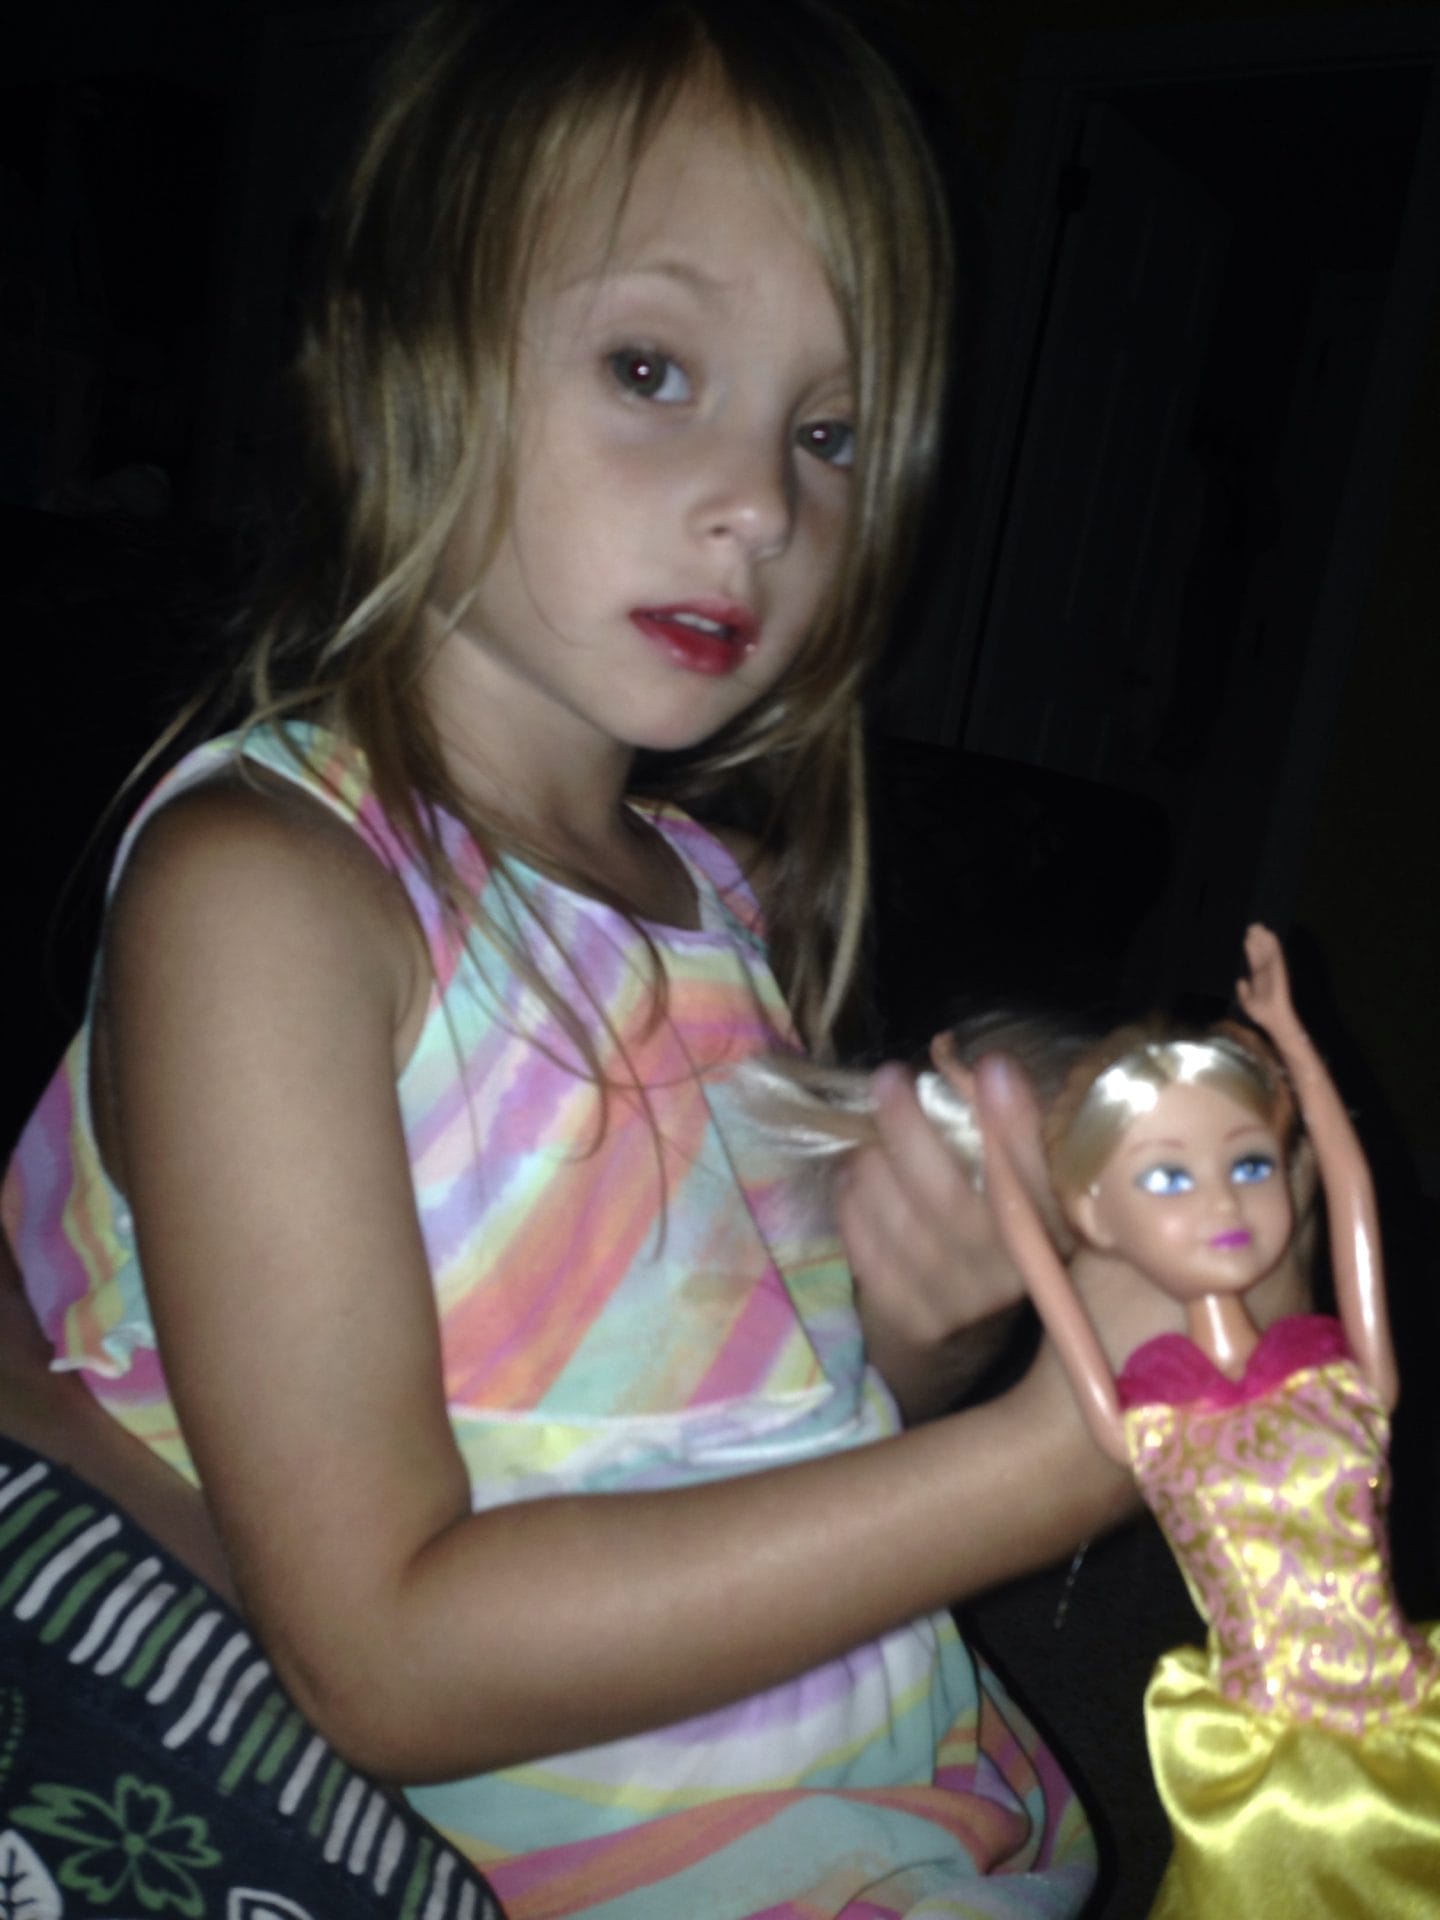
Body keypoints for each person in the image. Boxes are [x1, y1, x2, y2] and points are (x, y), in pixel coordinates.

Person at [2, 2, 1201, 1912]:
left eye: (827, 431)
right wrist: (1055, 1463)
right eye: (652, 368)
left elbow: (739, 1433)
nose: (764, 505)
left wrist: (936, 1316)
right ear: (397, 360)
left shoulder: (724, 902)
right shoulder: (268, 902)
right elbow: (387, 1658)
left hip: (890, 1811)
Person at [976, 925, 1440, 1917]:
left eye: (1254, 1164)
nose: (1225, 1202)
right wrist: (999, 1149)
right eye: (1168, 1178)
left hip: (1419, 1710)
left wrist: (1292, 1038)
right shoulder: (1145, 1428)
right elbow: (1044, 1273)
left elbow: (1353, 1187)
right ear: (1094, 1216)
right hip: (1276, 1780)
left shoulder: (1351, 1380)